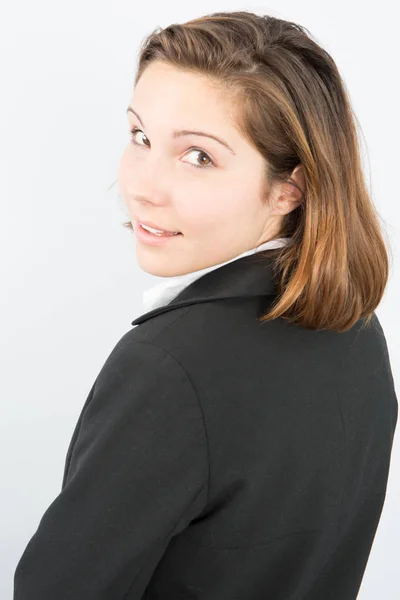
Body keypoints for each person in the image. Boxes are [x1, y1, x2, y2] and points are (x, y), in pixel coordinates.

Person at [14, 10, 398, 600]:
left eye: (198, 156)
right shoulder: (358, 330)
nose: (143, 183)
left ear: (288, 188)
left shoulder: (167, 366)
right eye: (140, 136)